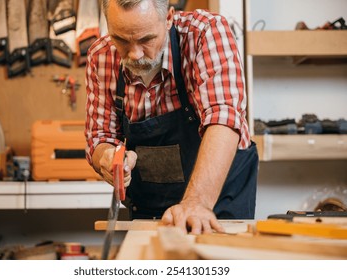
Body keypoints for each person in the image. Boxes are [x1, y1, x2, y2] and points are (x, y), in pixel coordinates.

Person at [84, 0, 259, 234]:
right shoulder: (101, 56)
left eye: (146, 40)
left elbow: (223, 118)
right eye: (121, 40)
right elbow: (100, 136)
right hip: (151, 206)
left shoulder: (205, 33)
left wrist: (196, 202)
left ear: (169, 18)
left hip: (218, 200)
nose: (135, 54)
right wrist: (106, 157)